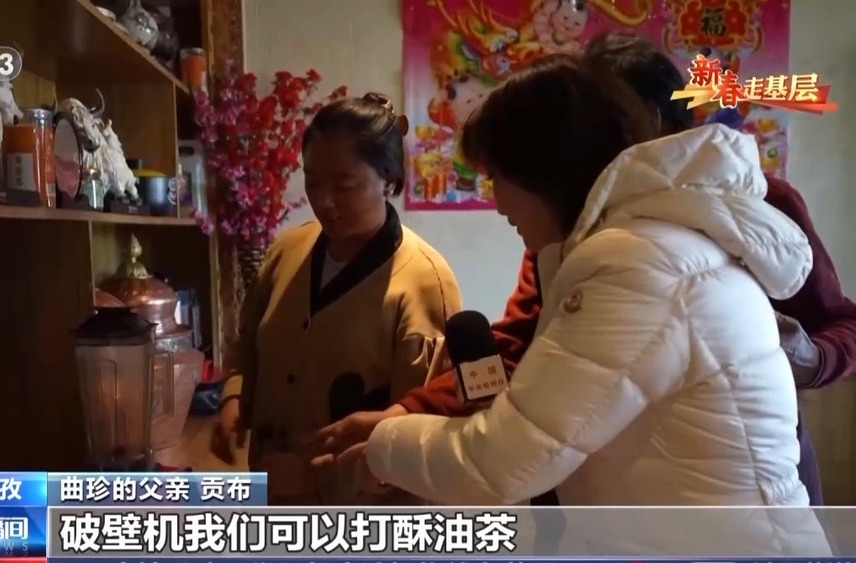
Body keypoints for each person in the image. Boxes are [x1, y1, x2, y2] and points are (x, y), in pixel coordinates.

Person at [311, 33, 856, 508]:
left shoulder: (636, 262)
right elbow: (527, 351)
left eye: (498, 177)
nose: (495, 203)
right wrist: (406, 414)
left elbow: (501, 461)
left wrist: (384, 450)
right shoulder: (586, 245)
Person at [210, 92, 462, 505]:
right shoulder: (286, 251)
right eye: (312, 181)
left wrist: (317, 480)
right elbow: (248, 343)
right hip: (271, 495)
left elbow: (422, 432)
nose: (323, 201)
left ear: (389, 180)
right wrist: (234, 399)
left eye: (343, 186)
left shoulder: (424, 281)